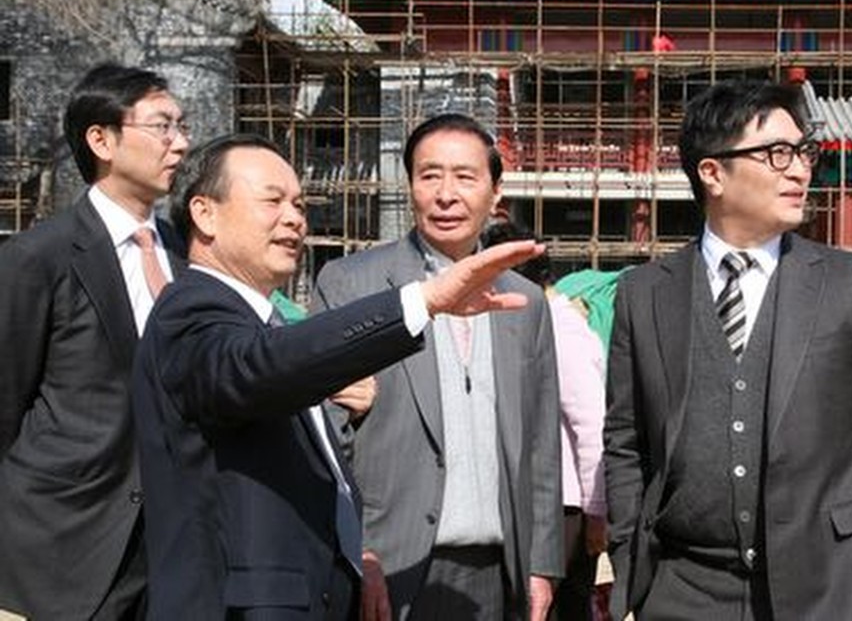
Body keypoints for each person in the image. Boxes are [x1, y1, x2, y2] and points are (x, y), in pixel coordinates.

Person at [131, 133, 543, 620]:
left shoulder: (263, 321)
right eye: (273, 201)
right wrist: (422, 302)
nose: (294, 218)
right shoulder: (191, 311)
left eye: (299, 204)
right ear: (205, 213)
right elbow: (257, 366)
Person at [603, 80, 852, 621]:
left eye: (803, 153)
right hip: (681, 589)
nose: (800, 170)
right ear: (713, 173)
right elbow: (625, 442)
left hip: (826, 586)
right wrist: (631, 560)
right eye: (777, 154)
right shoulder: (644, 294)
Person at [312, 114, 563, 621]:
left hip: (497, 569)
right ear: (410, 187)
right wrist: (358, 548)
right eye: (429, 175)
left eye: (465, 177)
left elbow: (541, 444)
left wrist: (542, 564)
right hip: (389, 564)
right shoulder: (350, 286)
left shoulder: (526, 301)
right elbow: (324, 442)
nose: (446, 194)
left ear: (495, 194)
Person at [0, 62, 188, 619]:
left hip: (166, 547)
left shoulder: (185, 254)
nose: (179, 143)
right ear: (101, 139)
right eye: (161, 126)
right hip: (60, 547)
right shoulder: (38, 258)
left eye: (181, 125)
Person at [482, 221, 609, 621]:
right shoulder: (535, 318)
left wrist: (597, 513)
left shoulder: (562, 327)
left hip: (566, 507)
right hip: (543, 501)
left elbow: (591, 424)